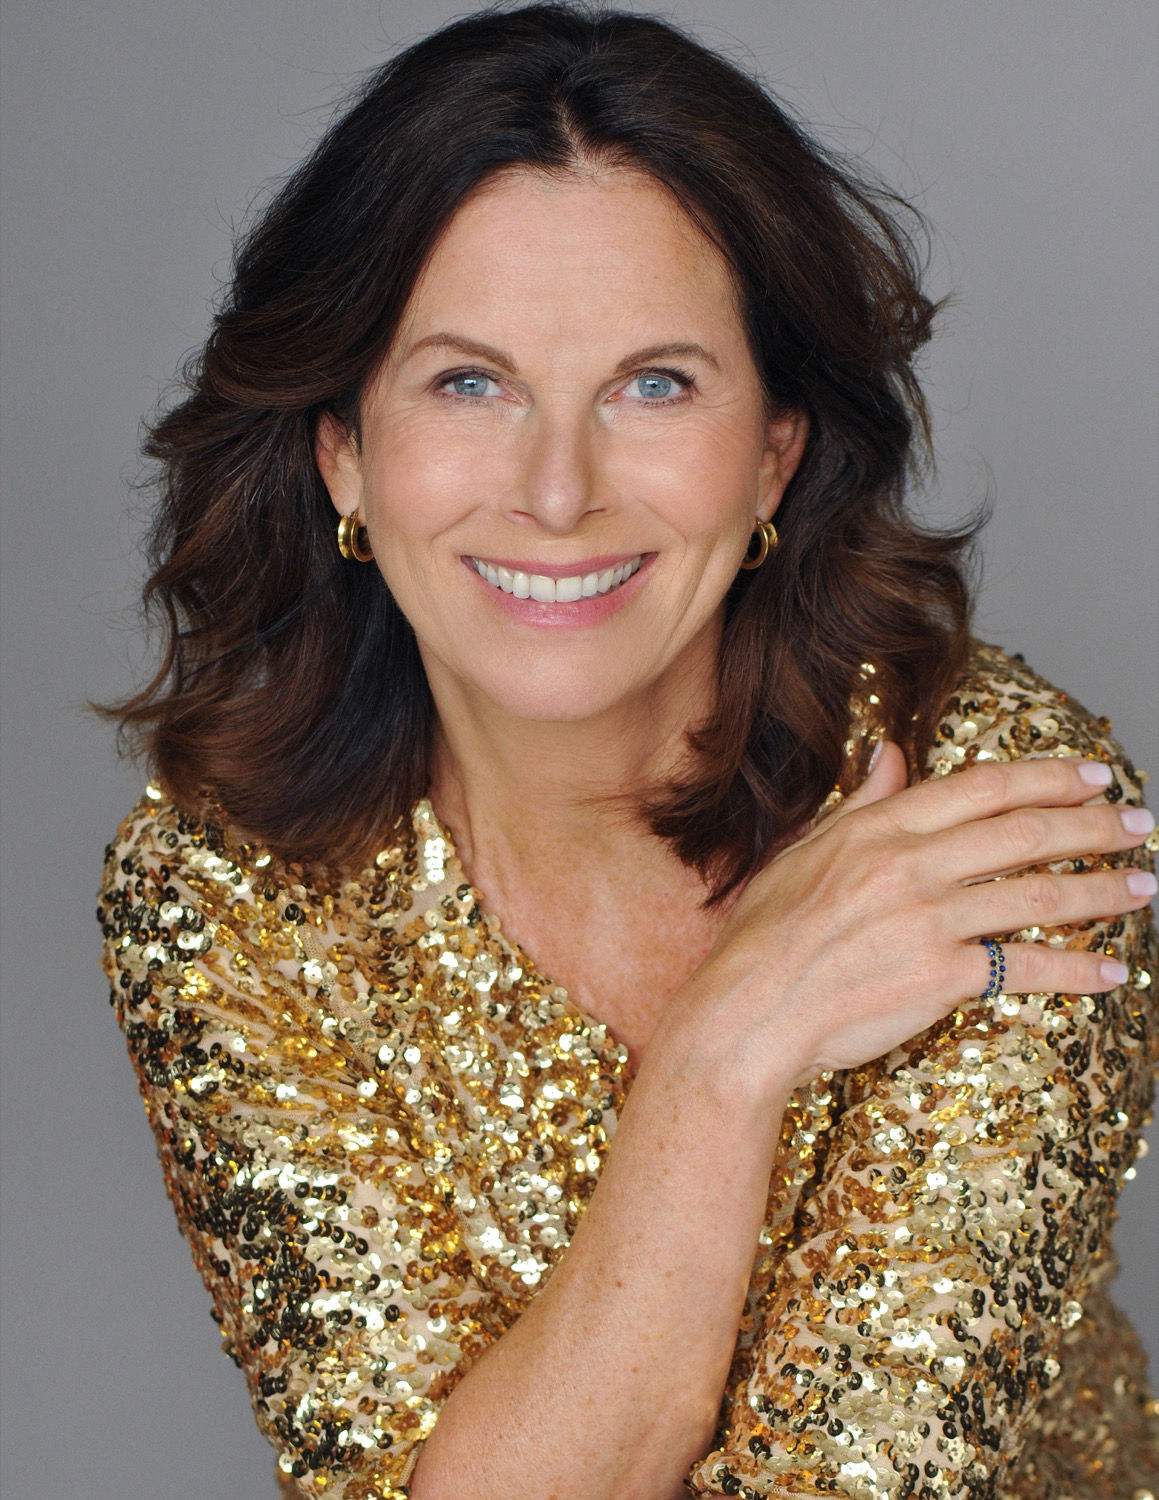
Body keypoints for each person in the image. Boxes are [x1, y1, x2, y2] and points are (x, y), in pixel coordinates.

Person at [97, 5, 1158, 1497]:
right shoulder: (222, 891)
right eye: (469, 382)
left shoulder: (1000, 816)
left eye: (654, 383)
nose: (558, 491)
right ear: (343, 453)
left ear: (776, 450)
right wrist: (723, 1059)